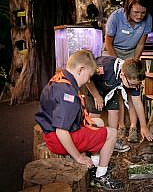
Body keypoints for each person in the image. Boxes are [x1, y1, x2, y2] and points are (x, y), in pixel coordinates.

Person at [35, 50, 123, 190]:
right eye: (89, 76)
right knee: (112, 133)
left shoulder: (61, 78)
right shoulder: (68, 94)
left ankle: (95, 164)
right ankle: (101, 175)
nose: (89, 81)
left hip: (53, 131)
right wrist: (78, 157)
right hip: (58, 139)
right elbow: (62, 131)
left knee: (99, 123)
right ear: (81, 69)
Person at [103, 0, 152, 143]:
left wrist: (133, 64)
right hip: (112, 52)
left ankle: (133, 127)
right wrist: (119, 65)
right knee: (118, 91)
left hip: (131, 53)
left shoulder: (148, 19)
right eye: (136, 12)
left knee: (132, 91)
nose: (140, 16)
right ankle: (121, 126)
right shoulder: (115, 18)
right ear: (128, 8)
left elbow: (141, 44)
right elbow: (108, 43)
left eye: (143, 12)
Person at [85, 56, 153, 152]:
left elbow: (137, 103)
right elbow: (88, 79)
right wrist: (96, 96)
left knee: (114, 111)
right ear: (122, 75)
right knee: (95, 116)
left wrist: (143, 126)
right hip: (94, 89)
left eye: (137, 85)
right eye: (132, 85)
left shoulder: (133, 80)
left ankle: (112, 142)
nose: (134, 87)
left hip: (111, 89)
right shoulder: (104, 67)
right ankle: (90, 145)